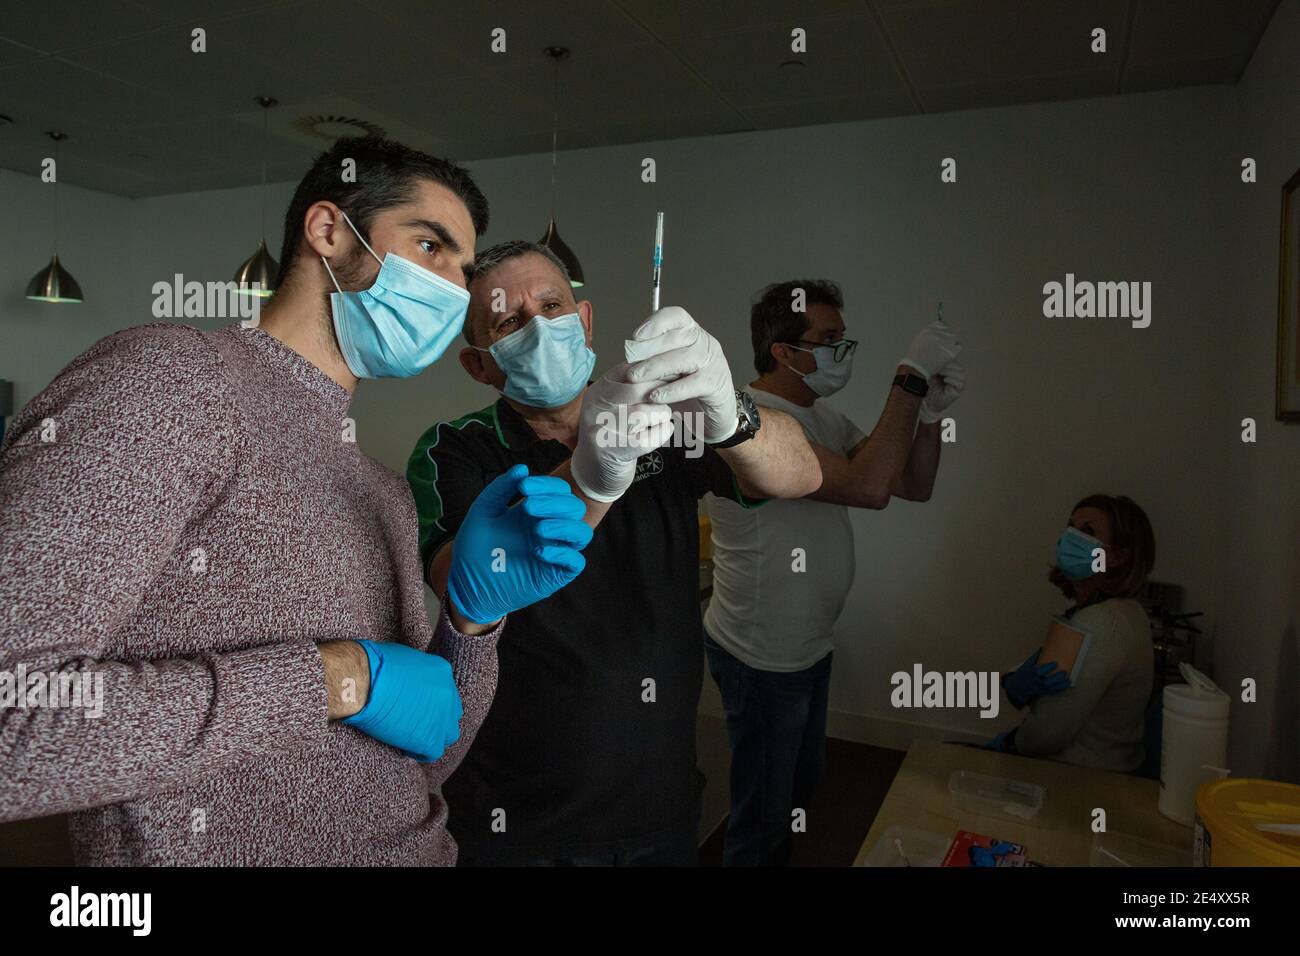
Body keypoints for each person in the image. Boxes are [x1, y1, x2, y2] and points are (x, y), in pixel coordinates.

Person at [0, 137, 592, 865]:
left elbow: (421, 761)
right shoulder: (172, 381)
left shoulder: (377, 487)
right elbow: (13, 723)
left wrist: (472, 626)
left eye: (462, 271)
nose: (450, 286)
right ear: (329, 231)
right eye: (431, 245)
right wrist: (335, 675)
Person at [407, 240, 823, 865]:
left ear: (587, 321)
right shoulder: (455, 450)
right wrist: (597, 470)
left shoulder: (662, 419)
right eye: (508, 321)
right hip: (516, 810)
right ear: (480, 365)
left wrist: (727, 411)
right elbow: (464, 585)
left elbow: (799, 475)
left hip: (658, 796)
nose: (540, 328)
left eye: (552, 304)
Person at [703, 279, 966, 865]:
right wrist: (909, 377)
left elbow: (910, 484)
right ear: (783, 350)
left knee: (799, 791)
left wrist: (927, 415)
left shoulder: (824, 418)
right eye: (829, 341)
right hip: (761, 656)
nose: (842, 354)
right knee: (761, 815)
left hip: (810, 647)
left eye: (845, 341)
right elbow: (869, 489)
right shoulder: (746, 423)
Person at [991, 494, 1156, 773]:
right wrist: (1015, 681)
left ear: (1116, 556)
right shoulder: (1123, 612)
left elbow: (1045, 736)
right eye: (1071, 526)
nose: (1071, 537)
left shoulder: (1101, 623)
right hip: (1108, 768)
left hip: (1078, 775)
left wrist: (1007, 743)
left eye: (1087, 531)